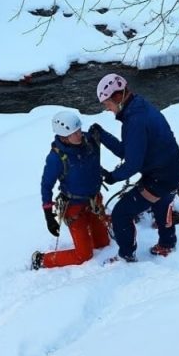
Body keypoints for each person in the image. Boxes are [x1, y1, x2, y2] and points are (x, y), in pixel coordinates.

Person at [91, 73, 179, 263]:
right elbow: (130, 151)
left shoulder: (135, 120)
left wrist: (112, 176)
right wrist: (102, 135)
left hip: (160, 176)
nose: (107, 109)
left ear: (118, 97)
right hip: (172, 168)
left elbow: (132, 163)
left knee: (121, 213)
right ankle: (167, 244)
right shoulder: (138, 107)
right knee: (161, 202)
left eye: (107, 103)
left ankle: (127, 255)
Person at [31, 111, 110, 270]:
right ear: (63, 137)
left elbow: (87, 165)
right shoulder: (56, 158)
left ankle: (97, 226)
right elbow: (46, 185)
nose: (80, 135)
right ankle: (41, 260)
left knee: (103, 243)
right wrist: (48, 214)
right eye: (75, 133)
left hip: (94, 201)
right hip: (75, 209)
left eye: (80, 130)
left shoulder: (87, 141)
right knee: (84, 256)